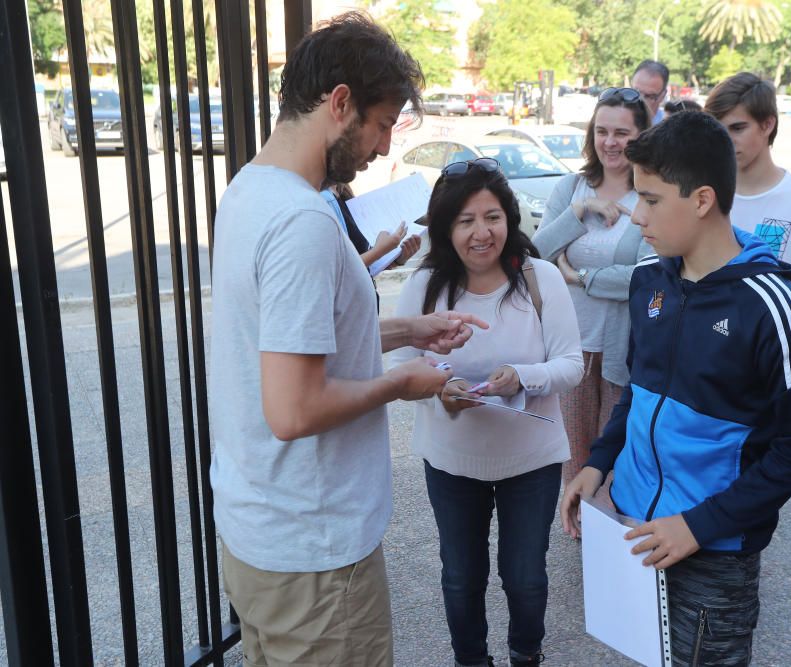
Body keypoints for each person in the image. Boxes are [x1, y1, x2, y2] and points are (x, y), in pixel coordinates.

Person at [208, 13, 488, 665]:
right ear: (340, 104)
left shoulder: (251, 190)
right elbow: (295, 408)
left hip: (262, 532)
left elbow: (298, 345)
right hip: (317, 558)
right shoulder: (302, 221)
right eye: (383, 123)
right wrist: (403, 381)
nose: (385, 148)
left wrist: (408, 329)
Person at [560, 112, 791, 665]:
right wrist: (598, 462)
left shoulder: (771, 307)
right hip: (635, 528)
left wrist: (698, 525)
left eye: (652, 200)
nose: (637, 216)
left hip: (715, 552)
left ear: (703, 199)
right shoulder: (648, 281)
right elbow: (639, 391)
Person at [391, 157, 583, 667]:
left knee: (525, 577)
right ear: (445, 228)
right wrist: (442, 387)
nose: (482, 232)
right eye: (466, 220)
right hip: (452, 459)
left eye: (493, 216)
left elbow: (570, 365)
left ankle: (526, 655)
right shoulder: (426, 286)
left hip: (532, 458)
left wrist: (524, 376)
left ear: (510, 218)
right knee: (460, 576)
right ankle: (470, 660)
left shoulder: (540, 278)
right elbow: (399, 368)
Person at [532, 87, 653, 488]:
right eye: (602, 131)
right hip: (573, 342)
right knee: (573, 449)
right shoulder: (571, 189)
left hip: (625, 344)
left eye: (622, 133)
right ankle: (577, 518)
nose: (610, 142)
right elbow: (534, 256)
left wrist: (580, 277)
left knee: (613, 450)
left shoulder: (650, 194)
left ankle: (608, 530)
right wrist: (579, 213)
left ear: (641, 136)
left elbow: (645, 276)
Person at [705, 72, 791, 328]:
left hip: (769, 364)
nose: (726, 140)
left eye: (737, 128)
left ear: (767, 125)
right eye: (718, 130)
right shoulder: (703, 195)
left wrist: (770, 343)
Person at [320, 180, 422, 274]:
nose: (368, 164)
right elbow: (336, 272)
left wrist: (396, 259)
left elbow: (362, 262)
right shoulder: (324, 200)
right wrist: (378, 251)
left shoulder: (341, 191)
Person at [631, 60, 670, 124]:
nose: (639, 100)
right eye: (636, 92)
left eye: (649, 96)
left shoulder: (668, 128)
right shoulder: (615, 121)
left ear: (662, 96)